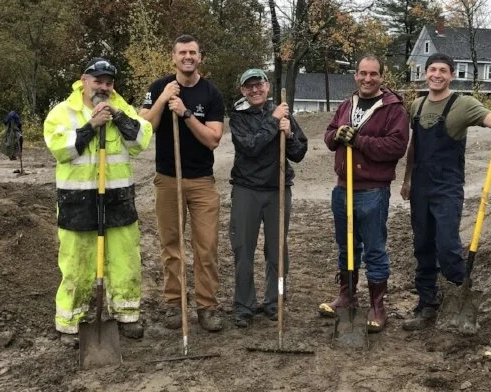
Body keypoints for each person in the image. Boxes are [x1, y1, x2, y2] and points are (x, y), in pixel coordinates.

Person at [400, 53, 491, 330]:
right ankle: (427, 305)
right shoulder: (417, 105)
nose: (437, 75)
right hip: (420, 187)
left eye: (443, 70)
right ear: (425, 73)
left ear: (452, 75)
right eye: (432, 69)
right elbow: (414, 147)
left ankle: (460, 295)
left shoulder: (464, 104)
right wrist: (407, 180)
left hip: (447, 188)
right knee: (423, 246)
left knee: (447, 246)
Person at [43, 57, 152, 347]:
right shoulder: (63, 112)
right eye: (98, 81)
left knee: (124, 259)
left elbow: (140, 140)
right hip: (77, 201)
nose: (103, 87)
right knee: (76, 264)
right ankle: (70, 323)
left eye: (108, 82)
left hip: (117, 199)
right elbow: (60, 149)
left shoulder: (121, 108)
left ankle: (126, 315)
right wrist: (91, 125)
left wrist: (117, 115)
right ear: (84, 80)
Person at [140, 35, 226, 332]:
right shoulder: (158, 87)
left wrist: (185, 113)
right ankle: (174, 304)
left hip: (202, 181)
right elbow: (145, 128)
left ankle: (206, 306)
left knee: (206, 247)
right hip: (168, 179)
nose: (187, 57)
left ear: (200, 57)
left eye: (192, 52)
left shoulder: (211, 93)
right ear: (173, 57)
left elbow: (213, 139)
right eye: (182, 53)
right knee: (171, 245)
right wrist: (164, 99)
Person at [319, 55, 409, 332]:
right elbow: (329, 135)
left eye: (373, 74)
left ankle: (377, 306)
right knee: (346, 246)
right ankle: (347, 295)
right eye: (362, 73)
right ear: (355, 75)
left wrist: (359, 140)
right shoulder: (347, 104)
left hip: (372, 190)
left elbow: (396, 147)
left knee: (374, 249)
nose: (367, 79)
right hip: (343, 188)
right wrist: (337, 135)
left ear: (382, 77)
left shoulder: (393, 109)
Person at [229, 68, 308, 328]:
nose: (255, 90)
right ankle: (244, 306)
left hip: (278, 189)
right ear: (243, 90)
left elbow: (299, 153)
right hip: (247, 189)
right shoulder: (238, 116)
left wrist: (289, 134)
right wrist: (274, 123)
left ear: (267, 86)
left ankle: (275, 301)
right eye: (249, 86)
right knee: (243, 249)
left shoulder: (281, 112)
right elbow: (250, 147)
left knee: (277, 250)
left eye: (259, 84)